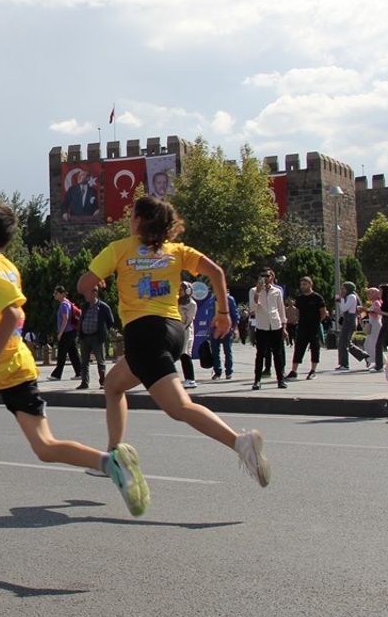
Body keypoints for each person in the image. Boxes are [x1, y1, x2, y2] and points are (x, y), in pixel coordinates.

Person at [0, 200, 150, 516]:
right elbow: (0, 314)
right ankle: (110, 463)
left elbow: (13, 314)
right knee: (45, 446)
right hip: (18, 365)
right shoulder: (7, 266)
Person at [80, 196, 270, 488]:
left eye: (132, 216)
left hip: (143, 334)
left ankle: (239, 443)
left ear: (139, 221)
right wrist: (223, 313)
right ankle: (114, 455)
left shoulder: (119, 249)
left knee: (178, 407)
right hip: (172, 330)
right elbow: (216, 273)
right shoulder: (177, 251)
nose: (129, 221)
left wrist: (96, 281)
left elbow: (84, 285)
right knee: (114, 385)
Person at [249, 268, 287, 390]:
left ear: (272, 277)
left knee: (278, 353)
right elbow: (253, 308)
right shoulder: (253, 291)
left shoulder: (277, 291)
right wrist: (258, 293)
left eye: (268, 276)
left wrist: (284, 326)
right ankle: (257, 380)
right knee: (260, 354)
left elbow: (281, 309)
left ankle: (280, 379)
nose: (266, 278)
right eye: (263, 275)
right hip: (262, 325)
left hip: (275, 325)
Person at [286, 277, 327, 380]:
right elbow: (298, 313)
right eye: (301, 284)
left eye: (305, 284)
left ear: (310, 284)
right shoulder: (299, 299)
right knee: (299, 348)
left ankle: (313, 371)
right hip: (302, 327)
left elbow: (323, 313)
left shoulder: (317, 297)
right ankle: (294, 371)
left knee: (315, 348)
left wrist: (317, 322)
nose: (303, 286)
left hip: (314, 327)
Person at [76, 286, 115, 390]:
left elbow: (110, 321)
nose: (85, 296)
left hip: (97, 337)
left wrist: (102, 331)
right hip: (85, 337)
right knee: (84, 362)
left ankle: (103, 382)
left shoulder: (103, 307)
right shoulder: (85, 306)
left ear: (95, 293)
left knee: (100, 361)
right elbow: (82, 319)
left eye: (87, 293)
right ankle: (84, 382)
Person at [47, 286, 82, 381]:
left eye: (56, 293)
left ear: (62, 294)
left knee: (62, 354)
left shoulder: (64, 304)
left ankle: (56, 375)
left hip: (67, 332)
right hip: (71, 332)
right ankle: (80, 373)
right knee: (73, 353)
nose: (55, 295)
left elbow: (65, 319)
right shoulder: (68, 303)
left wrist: (60, 333)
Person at [208, 291, 238, 380]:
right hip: (214, 330)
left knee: (227, 351)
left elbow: (235, 315)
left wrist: (235, 328)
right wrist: (209, 328)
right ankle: (217, 372)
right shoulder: (212, 300)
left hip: (226, 330)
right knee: (215, 352)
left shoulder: (229, 299)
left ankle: (229, 372)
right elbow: (209, 315)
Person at [177, 282, 200, 388]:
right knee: (180, 355)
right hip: (177, 330)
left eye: (181, 290)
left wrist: (181, 313)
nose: (179, 292)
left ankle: (190, 379)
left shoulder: (192, 304)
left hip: (186, 331)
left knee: (185, 354)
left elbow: (188, 319)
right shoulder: (177, 302)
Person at [334, 282, 360, 371]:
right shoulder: (348, 297)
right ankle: (364, 356)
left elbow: (344, 308)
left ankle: (344, 364)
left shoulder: (351, 297)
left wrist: (340, 299)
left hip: (349, 321)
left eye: (343, 289)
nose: (342, 290)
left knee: (342, 342)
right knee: (346, 342)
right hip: (347, 320)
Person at [362, 287, 383, 370]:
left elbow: (377, 313)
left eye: (370, 293)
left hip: (376, 324)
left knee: (373, 344)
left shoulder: (376, 303)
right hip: (372, 324)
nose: (368, 295)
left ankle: (378, 361)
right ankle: (376, 360)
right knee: (368, 344)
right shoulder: (372, 303)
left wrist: (366, 310)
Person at [374, 283, 388, 371]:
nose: (379, 293)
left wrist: (380, 312)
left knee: (379, 344)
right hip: (385, 322)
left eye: (380, 291)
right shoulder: (383, 301)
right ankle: (379, 364)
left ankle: (379, 365)